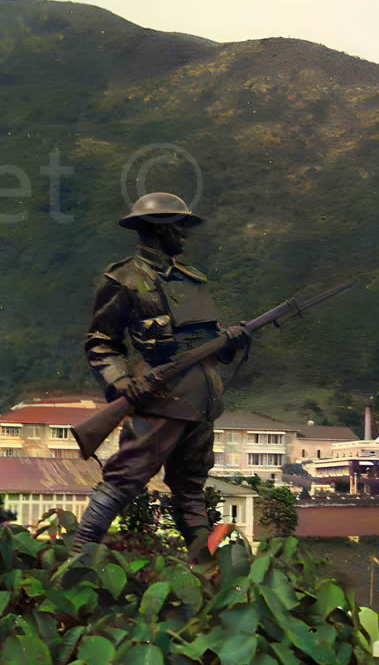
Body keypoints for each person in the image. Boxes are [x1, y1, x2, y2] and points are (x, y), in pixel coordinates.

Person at [73, 192, 251, 562]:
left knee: (190, 487)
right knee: (125, 478)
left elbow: (208, 340)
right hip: (160, 397)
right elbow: (102, 342)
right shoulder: (123, 279)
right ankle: (78, 555)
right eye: (177, 227)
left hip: (203, 399)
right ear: (156, 230)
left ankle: (204, 568)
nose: (184, 235)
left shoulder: (193, 279)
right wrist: (123, 383)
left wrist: (231, 341)